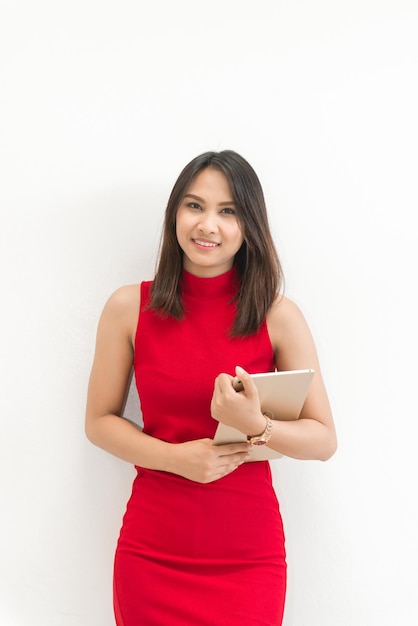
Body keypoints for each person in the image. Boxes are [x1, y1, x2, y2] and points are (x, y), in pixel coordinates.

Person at [85, 150, 337, 626]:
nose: (208, 225)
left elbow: (323, 440)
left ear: (249, 226)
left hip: (248, 559)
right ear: (174, 214)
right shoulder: (127, 308)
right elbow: (98, 422)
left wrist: (256, 426)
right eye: (194, 205)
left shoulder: (278, 316)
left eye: (228, 211)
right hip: (151, 554)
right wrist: (178, 459)